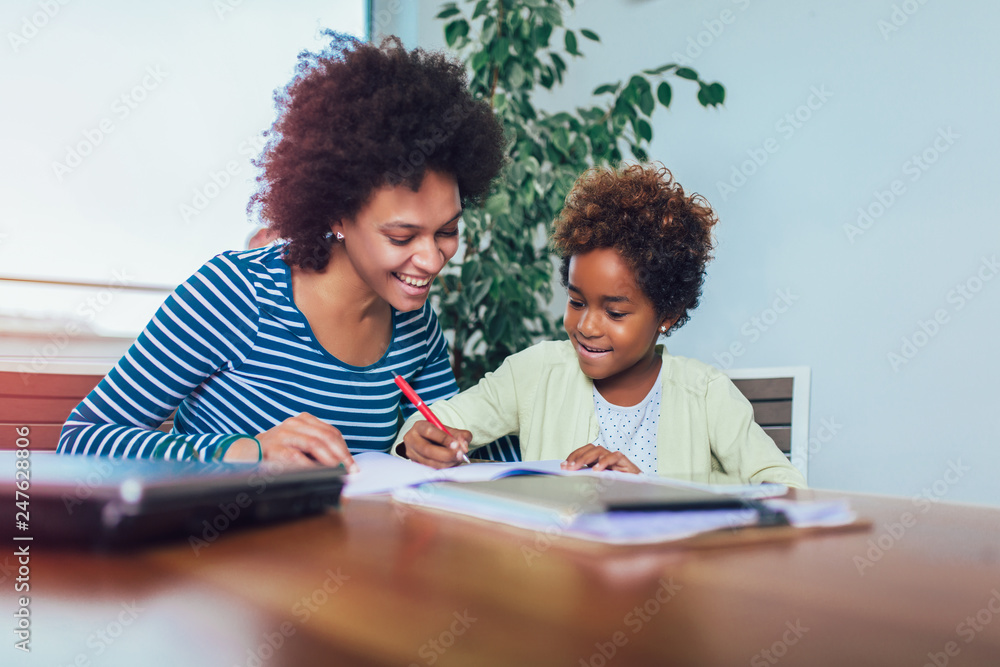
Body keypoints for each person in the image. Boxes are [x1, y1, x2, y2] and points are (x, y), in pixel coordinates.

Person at [58, 33, 505, 468]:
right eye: (401, 237)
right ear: (336, 214)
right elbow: (81, 440)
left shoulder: (416, 325)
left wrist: (424, 448)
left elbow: (434, 440)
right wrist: (249, 452)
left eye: (447, 230)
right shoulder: (232, 294)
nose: (431, 260)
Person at [397, 163, 806, 487]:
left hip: (672, 588)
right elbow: (430, 421)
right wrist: (419, 438)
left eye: (615, 312)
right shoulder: (534, 374)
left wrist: (651, 493)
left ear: (668, 314)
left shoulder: (706, 396)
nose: (587, 326)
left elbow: (786, 491)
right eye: (576, 302)